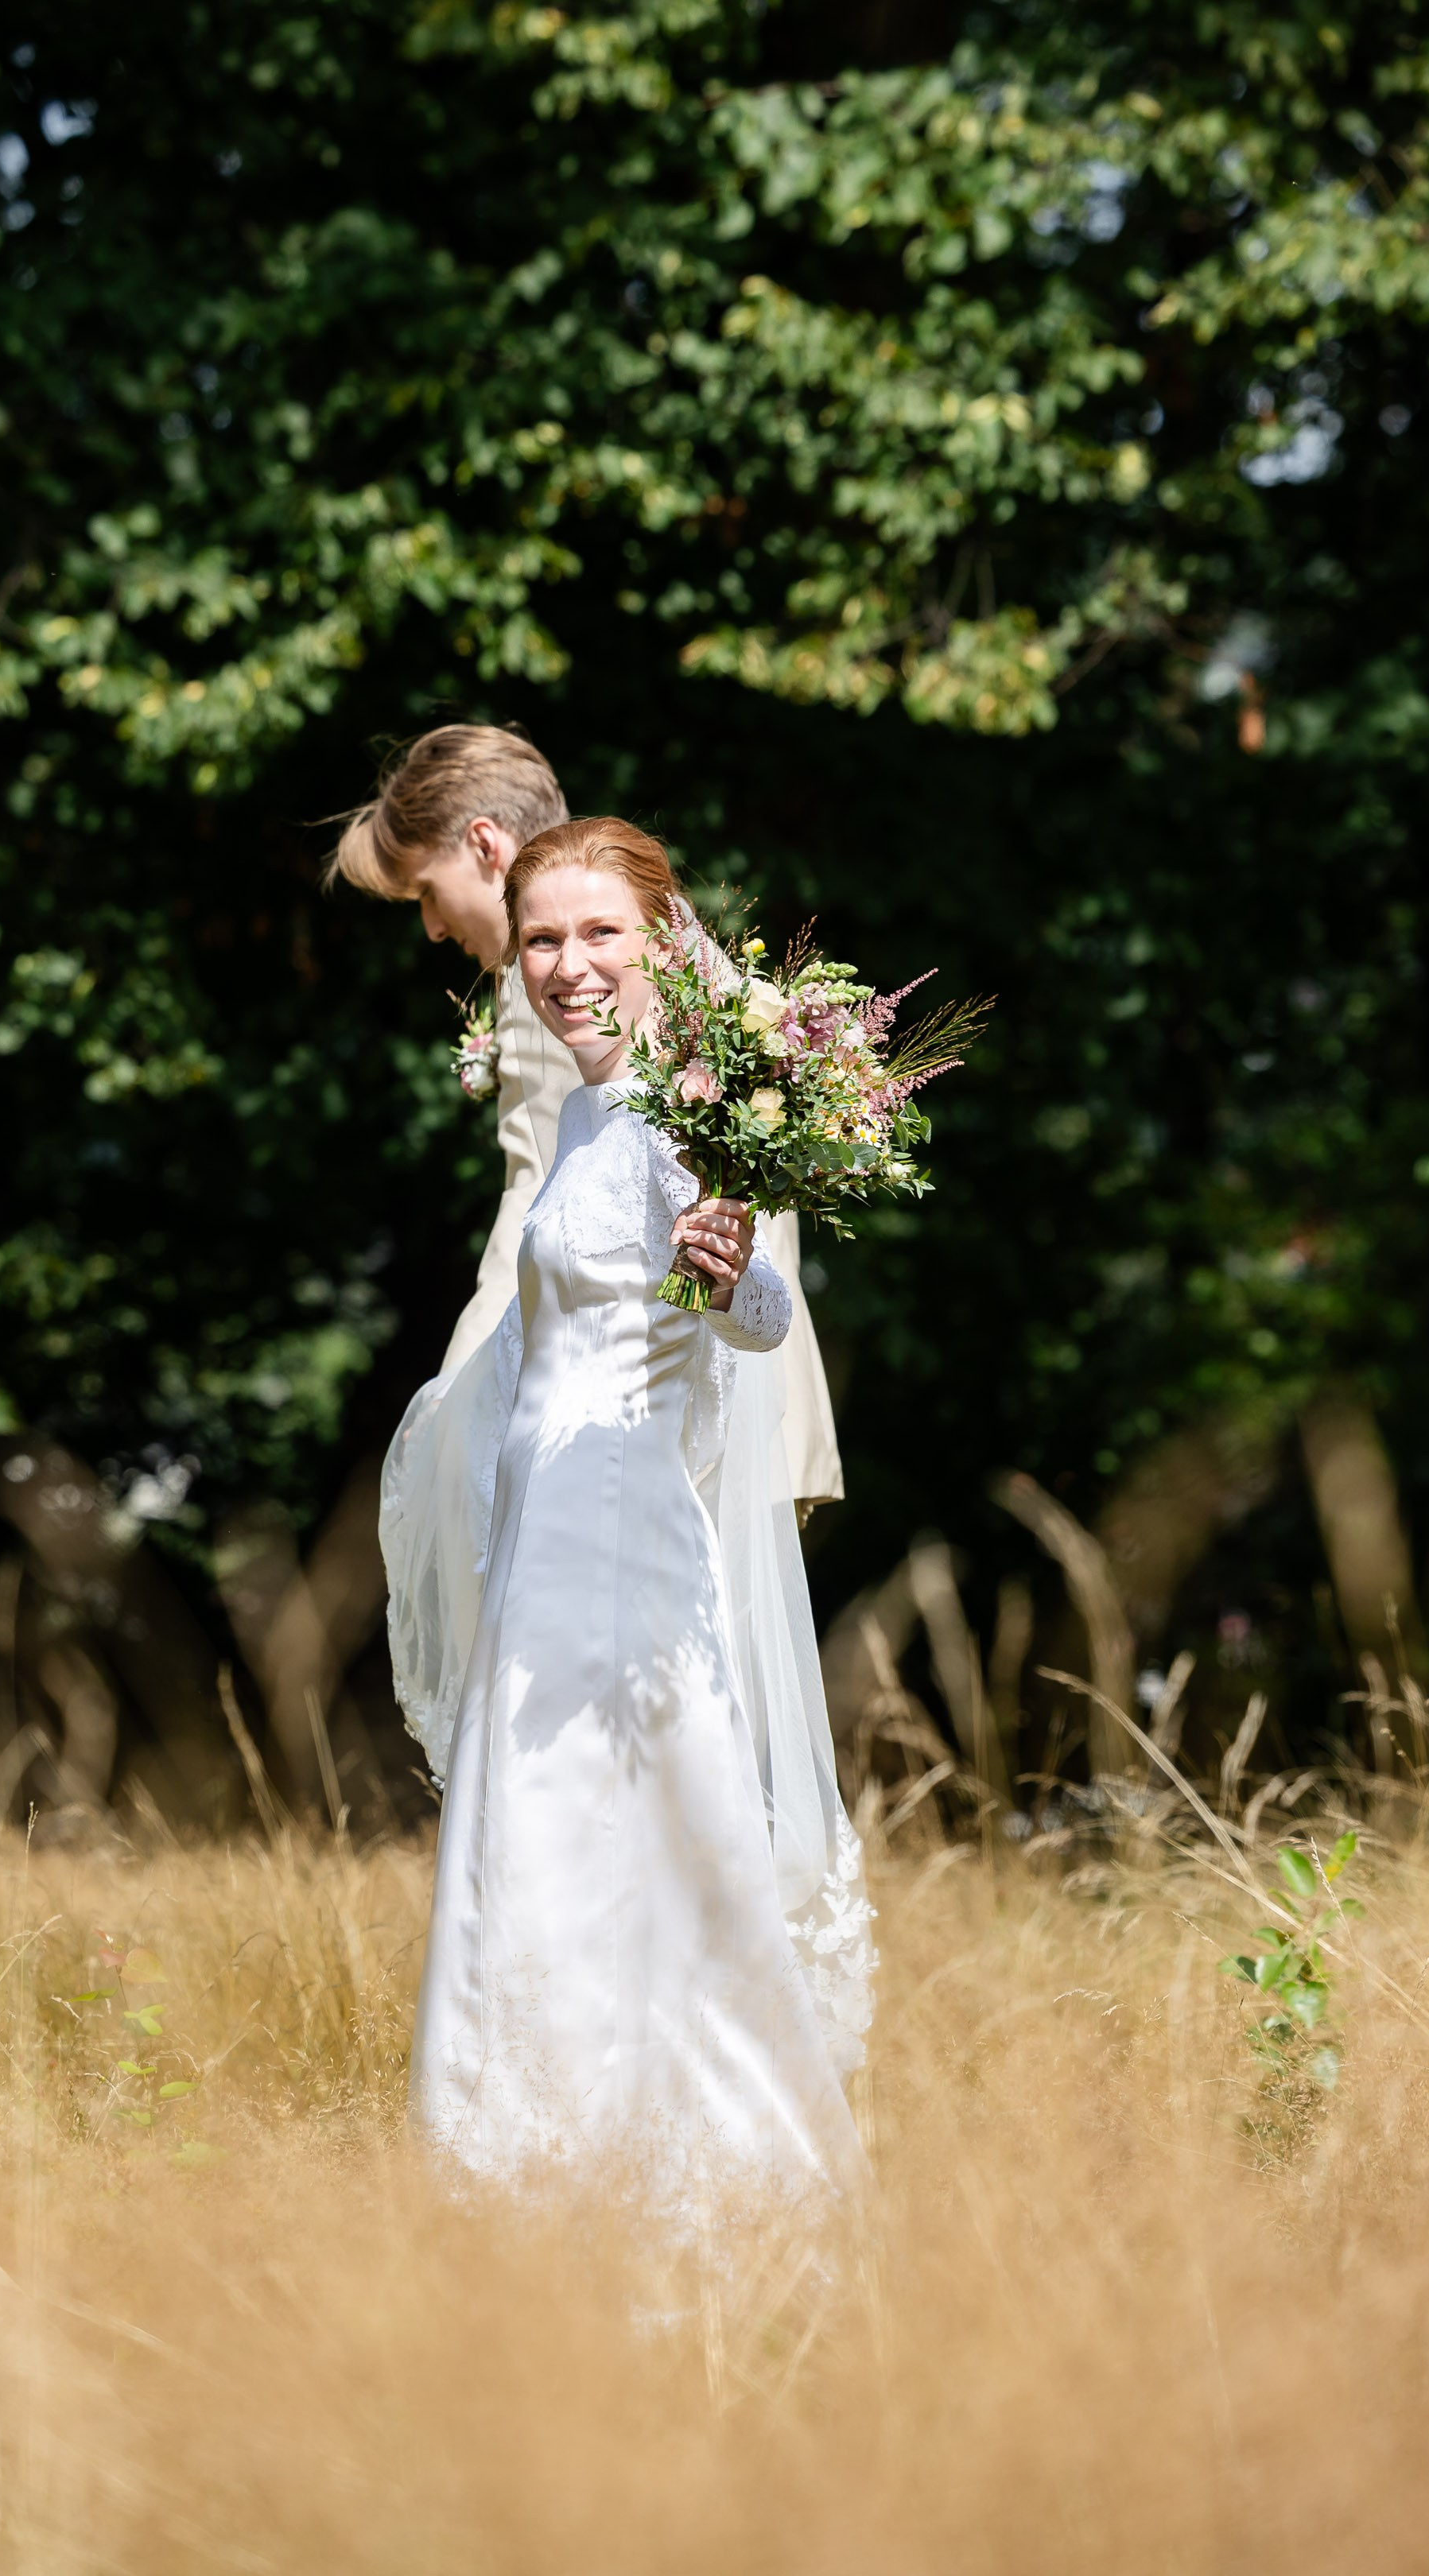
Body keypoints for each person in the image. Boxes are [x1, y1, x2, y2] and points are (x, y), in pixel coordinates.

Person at [381, 819, 872, 2198]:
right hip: (547, 1539)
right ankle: (547, 2170)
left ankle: (671, 2186)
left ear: (662, 939)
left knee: (624, 1849)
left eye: (601, 933)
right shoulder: (594, 1108)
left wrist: (723, 1277)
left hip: (622, 1539)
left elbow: (762, 1315)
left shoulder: (692, 1100)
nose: (567, 964)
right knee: (544, 1856)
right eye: (541, 937)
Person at [332, 724, 844, 1511]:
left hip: (640, 1428)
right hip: (742, 1388)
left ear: (484, 844)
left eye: (427, 892)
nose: (433, 927)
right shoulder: (650, 929)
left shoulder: (556, 981)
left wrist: (453, 1399)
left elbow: (538, 1207)